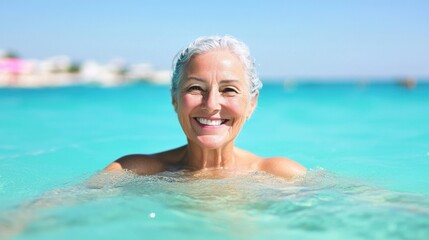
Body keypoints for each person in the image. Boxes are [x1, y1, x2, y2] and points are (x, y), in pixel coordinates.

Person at [105, 35, 306, 180]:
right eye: (195, 88)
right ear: (174, 99)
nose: (211, 104)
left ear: (251, 104)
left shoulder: (282, 177)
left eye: (229, 89)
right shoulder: (132, 173)